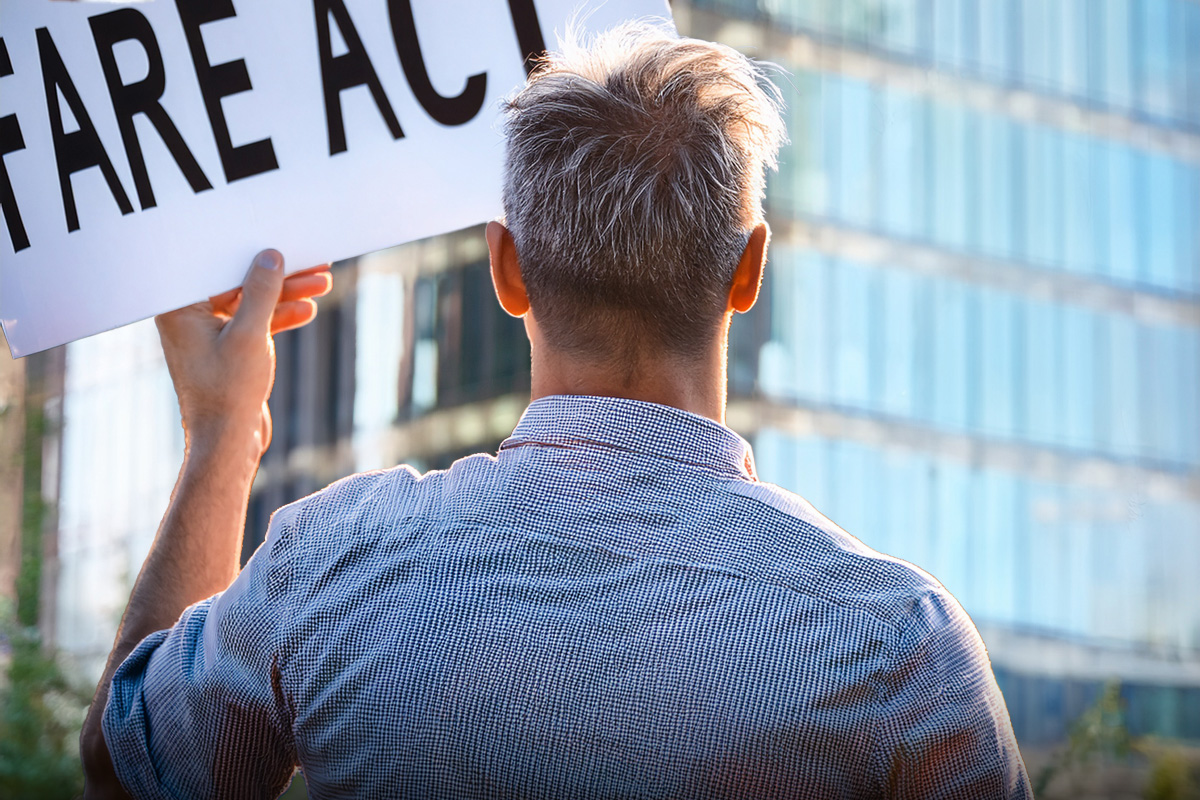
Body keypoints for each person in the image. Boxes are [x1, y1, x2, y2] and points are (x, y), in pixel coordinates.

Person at [81, 22, 1031, 800]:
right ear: (749, 271)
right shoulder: (897, 643)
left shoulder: (334, 562)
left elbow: (128, 771)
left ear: (506, 267)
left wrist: (223, 434)